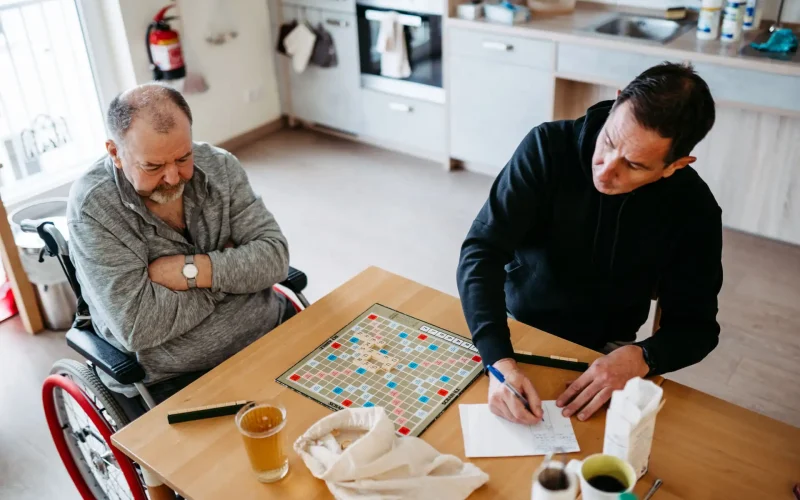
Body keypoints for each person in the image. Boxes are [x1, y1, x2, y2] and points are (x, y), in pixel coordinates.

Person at [457, 62, 722, 425]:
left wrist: (643, 357)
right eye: (609, 141)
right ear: (615, 104)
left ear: (674, 165)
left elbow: (697, 327)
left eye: (633, 165)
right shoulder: (547, 147)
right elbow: (482, 250)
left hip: (609, 348)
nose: (606, 169)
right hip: (514, 325)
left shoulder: (694, 209)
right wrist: (498, 362)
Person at [68, 83, 293, 408]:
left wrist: (190, 272)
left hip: (267, 333)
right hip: (173, 379)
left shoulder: (220, 166)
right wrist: (228, 274)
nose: (174, 177)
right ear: (115, 153)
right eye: (154, 166)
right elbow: (138, 326)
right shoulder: (94, 206)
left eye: (183, 157)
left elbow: (274, 258)